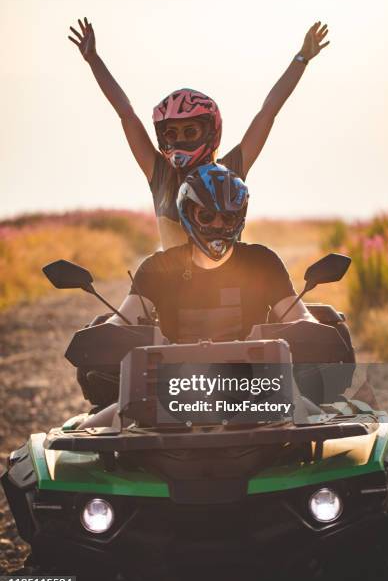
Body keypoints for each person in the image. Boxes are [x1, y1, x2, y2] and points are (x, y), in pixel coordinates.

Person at [79, 163, 315, 428]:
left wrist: (309, 330)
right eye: (207, 216)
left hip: (257, 388)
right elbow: (124, 321)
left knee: (321, 421)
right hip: (169, 389)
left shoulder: (263, 262)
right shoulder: (159, 268)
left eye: (228, 218)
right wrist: (107, 336)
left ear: (240, 218)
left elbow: (299, 315)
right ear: (188, 214)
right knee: (85, 432)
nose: (218, 225)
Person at [68, 18, 330, 249]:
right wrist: (93, 59)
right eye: (171, 132)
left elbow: (268, 112)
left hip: (232, 294)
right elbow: (126, 114)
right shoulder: (162, 176)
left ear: (210, 131)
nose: (179, 139)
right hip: (172, 299)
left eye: (190, 130)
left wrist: (301, 59)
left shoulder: (229, 171)